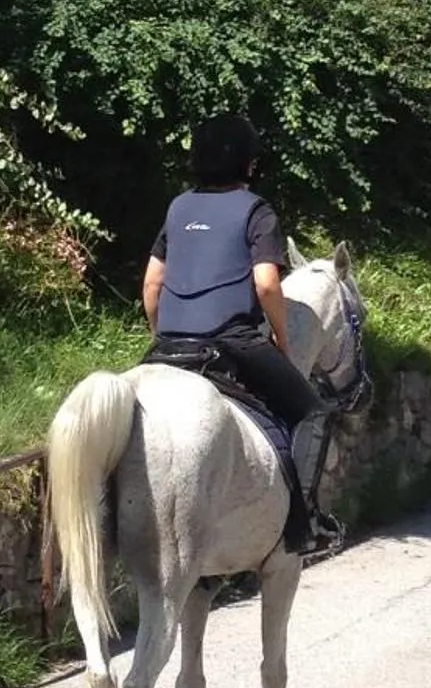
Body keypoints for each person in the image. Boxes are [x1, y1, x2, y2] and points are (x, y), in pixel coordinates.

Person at [143, 113, 340, 552]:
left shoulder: (178, 207)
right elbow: (267, 282)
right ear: (249, 165)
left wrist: (163, 335)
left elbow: (151, 284)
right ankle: (302, 524)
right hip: (231, 340)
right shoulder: (257, 210)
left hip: (170, 344)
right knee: (310, 410)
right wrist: (282, 340)